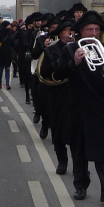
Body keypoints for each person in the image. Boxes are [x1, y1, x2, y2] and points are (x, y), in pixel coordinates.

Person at [53, 11, 104, 202]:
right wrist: (74, 62)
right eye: (89, 29)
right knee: (79, 149)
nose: (93, 33)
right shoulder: (70, 49)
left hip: (101, 104)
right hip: (78, 105)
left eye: (96, 30)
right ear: (80, 31)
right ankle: (80, 185)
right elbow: (59, 73)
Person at [38, 19, 75, 174]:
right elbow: (44, 72)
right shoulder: (51, 51)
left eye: (73, 31)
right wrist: (59, 64)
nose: (71, 34)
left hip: (75, 95)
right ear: (60, 33)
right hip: (58, 94)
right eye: (68, 31)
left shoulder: (80, 48)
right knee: (58, 131)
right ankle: (62, 161)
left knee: (76, 133)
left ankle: (79, 165)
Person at [0, 21, 14, 90]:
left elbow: (12, 43)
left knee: (7, 69)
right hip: (0, 55)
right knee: (0, 70)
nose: (10, 26)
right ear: (5, 26)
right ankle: (0, 83)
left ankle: (7, 84)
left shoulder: (9, 33)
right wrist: (0, 49)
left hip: (8, 55)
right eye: (8, 25)